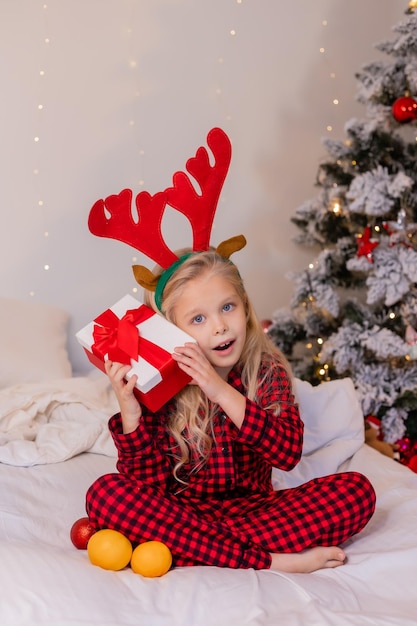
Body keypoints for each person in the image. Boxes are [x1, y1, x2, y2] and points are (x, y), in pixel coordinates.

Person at [86, 248, 376, 573]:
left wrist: (221, 390)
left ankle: (191, 548)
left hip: (257, 512)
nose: (220, 327)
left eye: (227, 307)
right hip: (182, 511)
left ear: (245, 306)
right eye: (198, 318)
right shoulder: (158, 384)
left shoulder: (266, 369)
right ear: (170, 331)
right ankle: (270, 561)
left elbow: (287, 454)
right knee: (106, 494)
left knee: (356, 492)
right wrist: (131, 415)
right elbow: (148, 486)